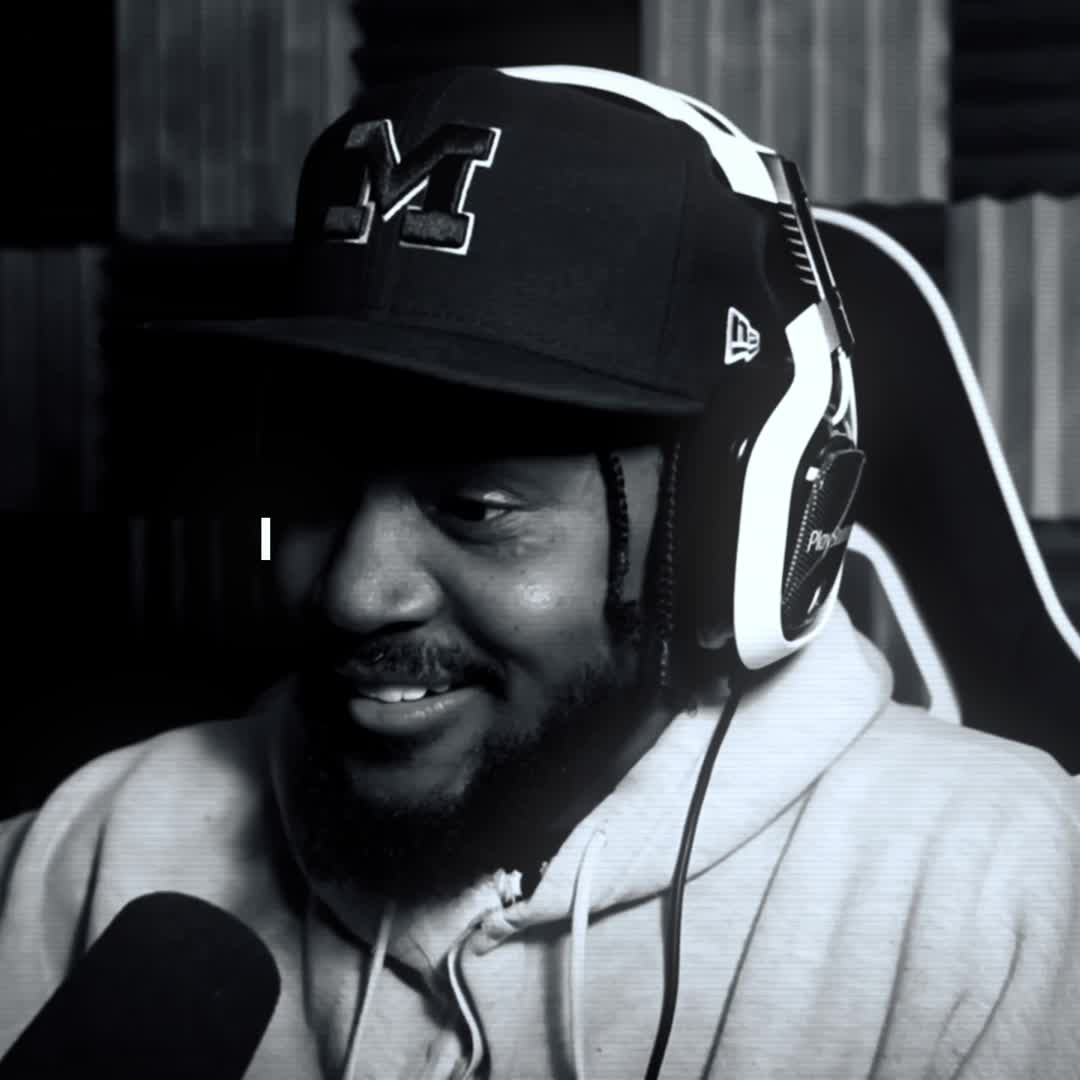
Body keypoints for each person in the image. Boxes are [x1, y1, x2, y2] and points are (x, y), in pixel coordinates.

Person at [2, 64, 1079, 1079]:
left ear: (722, 535)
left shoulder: (999, 893)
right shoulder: (90, 844)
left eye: (477, 507)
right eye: (317, 492)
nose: (355, 595)